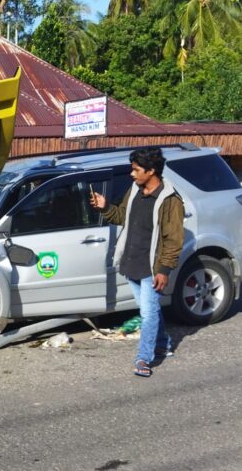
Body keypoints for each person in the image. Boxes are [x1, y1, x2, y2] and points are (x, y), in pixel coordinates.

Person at [90, 147, 184, 377]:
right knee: (147, 309)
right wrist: (105, 207)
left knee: (148, 314)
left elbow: (173, 239)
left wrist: (164, 270)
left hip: (152, 267)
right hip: (132, 262)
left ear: (151, 171)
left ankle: (144, 358)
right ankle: (163, 344)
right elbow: (121, 216)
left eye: (136, 170)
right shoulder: (134, 189)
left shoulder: (170, 200)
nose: (132, 174)